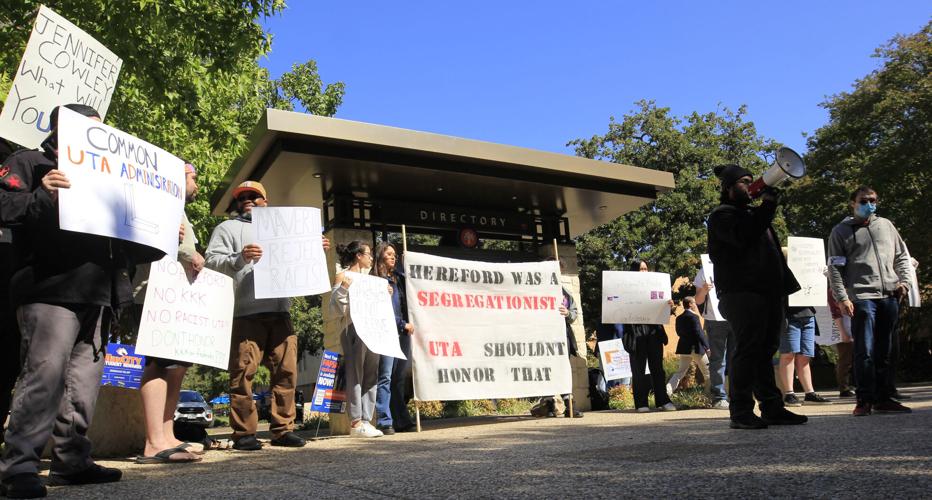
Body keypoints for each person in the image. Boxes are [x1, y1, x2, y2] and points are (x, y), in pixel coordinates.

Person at [0, 104, 164, 498]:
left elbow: (127, 243)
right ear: (59, 128)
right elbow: (6, 208)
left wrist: (160, 233)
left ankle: (71, 461)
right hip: (50, 288)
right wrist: (42, 194)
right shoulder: (29, 163)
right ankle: (18, 467)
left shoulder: (113, 178)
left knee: (83, 385)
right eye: (86, 129)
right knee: (45, 376)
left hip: (99, 293)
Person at [205, 180, 310, 450]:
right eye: (242, 197)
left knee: (287, 373)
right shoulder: (227, 228)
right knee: (242, 374)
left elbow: (301, 257)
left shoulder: (281, 227)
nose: (248, 200)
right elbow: (210, 262)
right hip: (245, 313)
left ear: (266, 201)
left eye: (255, 196)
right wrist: (239, 258)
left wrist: (311, 247)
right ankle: (244, 434)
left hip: (280, 311)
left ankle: (283, 430)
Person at [707, 164, 806, 430]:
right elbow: (744, 237)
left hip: (768, 292)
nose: (750, 186)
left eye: (752, 181)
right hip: (742, 293)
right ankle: (740, 411)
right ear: (728, 189)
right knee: (749, 348)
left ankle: (772, 407)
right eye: (744, 182)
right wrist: (767, 208)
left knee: (765, 351)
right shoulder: (722, 216)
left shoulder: (754, 214)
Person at [134, 162, 206, 464]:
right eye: (193, 178)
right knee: (158, 364)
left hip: (175, 298)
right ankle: (154, 442)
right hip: (154, 296)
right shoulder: (156, 201)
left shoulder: (180, 210)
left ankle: (167, 435)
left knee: (175, 367)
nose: (197, 186)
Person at [827, 186, 912, 416]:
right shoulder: (840, 231)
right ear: (852, 203)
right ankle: (864, 399)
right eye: (864, 200)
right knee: (864, 350)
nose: (870, 204)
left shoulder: (886, 225)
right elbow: (835, 268)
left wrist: (904, 282)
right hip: (862, 297)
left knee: (887, 350)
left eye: (873, 200)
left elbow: (902, 255)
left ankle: (884, 398)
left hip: (890, 295)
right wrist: (842, 297)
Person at [330, 240, 383, 437]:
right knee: (355, 372)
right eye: (368, 254)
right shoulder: (343, 275)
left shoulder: (373, 279)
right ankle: (355, 421)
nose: (371, 258)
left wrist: (384, 294)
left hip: (373, 329)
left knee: (371, 372)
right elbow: (334, 309)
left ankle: (367, 420)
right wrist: (343, 288)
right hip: (353, 328)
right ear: (358, 256)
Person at [372, 242, 416, 434]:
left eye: (395, 254)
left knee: (398, 379)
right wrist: (401, 324)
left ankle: (401, 419)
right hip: (387, 333)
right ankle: (384, 420)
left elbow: (414, 286)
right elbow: (385, 310)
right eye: (389, 254)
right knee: (386, 377)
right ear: (381, 256)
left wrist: (409, 262)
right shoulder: (374, 280)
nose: (393, 257)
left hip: (403, 333)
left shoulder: (398, 278)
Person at [623, 260, 676, 413]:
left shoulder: (656, 286)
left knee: (658, 368)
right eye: (641, 269)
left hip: (654, 331)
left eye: (646, 269)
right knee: (638, 369)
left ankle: (663, 400)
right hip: (636, 332)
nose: (644, 272)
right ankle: (641, 403)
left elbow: (661, 307)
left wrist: (668, 305)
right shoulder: (626, 288)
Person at [693, 268, 734, 409]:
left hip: (736, 317)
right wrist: (704, 290)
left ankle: (738, 395)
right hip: (715, 320)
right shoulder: (705, 270)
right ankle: (719, 397)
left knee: (737, 357)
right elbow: (698, 300)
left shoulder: (740, 264)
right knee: (718, 359)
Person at [777, 302, 831, 406]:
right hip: (788, 315)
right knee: (788, 355)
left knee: (805, 357)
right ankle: (789, 394)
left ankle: (809, 393)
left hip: (808, 314)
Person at [665, 297, 711, 395]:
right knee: (708, 373)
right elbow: (699, 333)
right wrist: (707, 347)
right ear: (690, 304)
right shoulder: (694, 317)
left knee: (680, 373)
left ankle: (667, 391)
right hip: (696, 348)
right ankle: (709, 394)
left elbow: (678, 332)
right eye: (694, 303)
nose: (696, 305)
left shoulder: (679, 318)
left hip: (684, 349)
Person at [827, 289, 855, 398]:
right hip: (843, 326)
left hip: (855, 323)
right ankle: (844, 388)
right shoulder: (833, 290)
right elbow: (835, 311)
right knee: (845, 358)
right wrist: (843, 332)